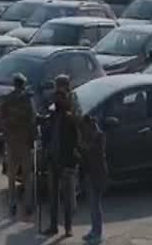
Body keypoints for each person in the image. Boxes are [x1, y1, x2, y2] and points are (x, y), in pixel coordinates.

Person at [43, 75, 80, 237]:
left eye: (61, 89)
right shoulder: (54, 113)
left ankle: (68, 227)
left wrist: (67, 107)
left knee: (68, 197)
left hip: (67, 160)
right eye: (56, 90)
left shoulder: (72, 111)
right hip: (53, 159)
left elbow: (78, 127)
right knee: (53, 196)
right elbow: (47, 133)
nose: (58, 93)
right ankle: (53, 225)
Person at [0, 73, 36, 217]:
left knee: (12, 175)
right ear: (24, 84)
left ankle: (12, 203)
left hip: (11, 142)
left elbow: (1, 119)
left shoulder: (7, 99)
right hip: (24, 142)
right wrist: (32, 138)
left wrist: (7, 134)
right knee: (27, 175)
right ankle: (28, 204)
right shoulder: (27, 100)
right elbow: (33, 120)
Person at [80, 115, 107, 245]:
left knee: (96, 205)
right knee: (92, 205)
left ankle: (98, 233)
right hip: (89, 174)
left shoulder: (99, 136)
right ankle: (94, 230)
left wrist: (84, 147)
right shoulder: (90, 137)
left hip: (97, 175)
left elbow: (93, 151)